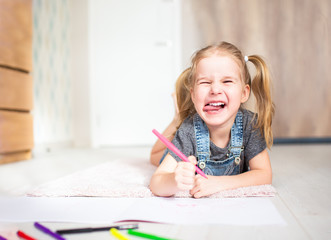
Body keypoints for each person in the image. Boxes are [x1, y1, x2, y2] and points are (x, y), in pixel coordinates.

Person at [149, 41, 275, 198]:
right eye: (205, 82)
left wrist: (218, 183)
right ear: (193, 95)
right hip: (179, 140)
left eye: (227, 81)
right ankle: (177, 119)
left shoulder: (250, 125)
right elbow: (156, 183)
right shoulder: (188, 130)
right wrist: (173, 180)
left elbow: (264, 175)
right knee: (155, 157)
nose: (215, 90)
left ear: (244, 93)